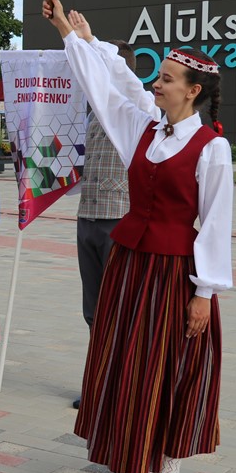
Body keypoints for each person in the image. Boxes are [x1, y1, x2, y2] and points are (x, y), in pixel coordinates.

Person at [44, 0, 232, 473]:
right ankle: (145, 467)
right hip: (132, 265)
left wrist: (204, 293)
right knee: (134, 364)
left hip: (176, 270)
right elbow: (107, 90)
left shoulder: (211, 147)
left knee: (174, 366)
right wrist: (71, 36)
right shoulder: (145, 130)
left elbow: (216, 224)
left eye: (168, 78)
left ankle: (169, 472)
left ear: (193, 92)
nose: (158, 81)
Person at [69, 31, 139, 410]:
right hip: (88, 216)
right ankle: (97, 383)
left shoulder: (132, 109)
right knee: (93, 309)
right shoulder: (93, 111)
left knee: (120, 308)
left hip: (119, 218)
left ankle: (122, 385)